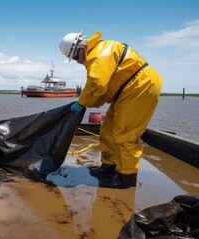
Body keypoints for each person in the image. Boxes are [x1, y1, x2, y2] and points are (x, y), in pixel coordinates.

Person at [59, 31, 162, 188]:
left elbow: (97, 84)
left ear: (81, 47)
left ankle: (125, 178)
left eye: (75, 58)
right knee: (107, 129)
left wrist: (82, 102)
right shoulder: (97, 53)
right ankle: (108, 167)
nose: (77, 62)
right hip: (127, 91)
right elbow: (101, 92)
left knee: (125, 134)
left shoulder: (99, 54)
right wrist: (87, 102)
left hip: (140, 87)